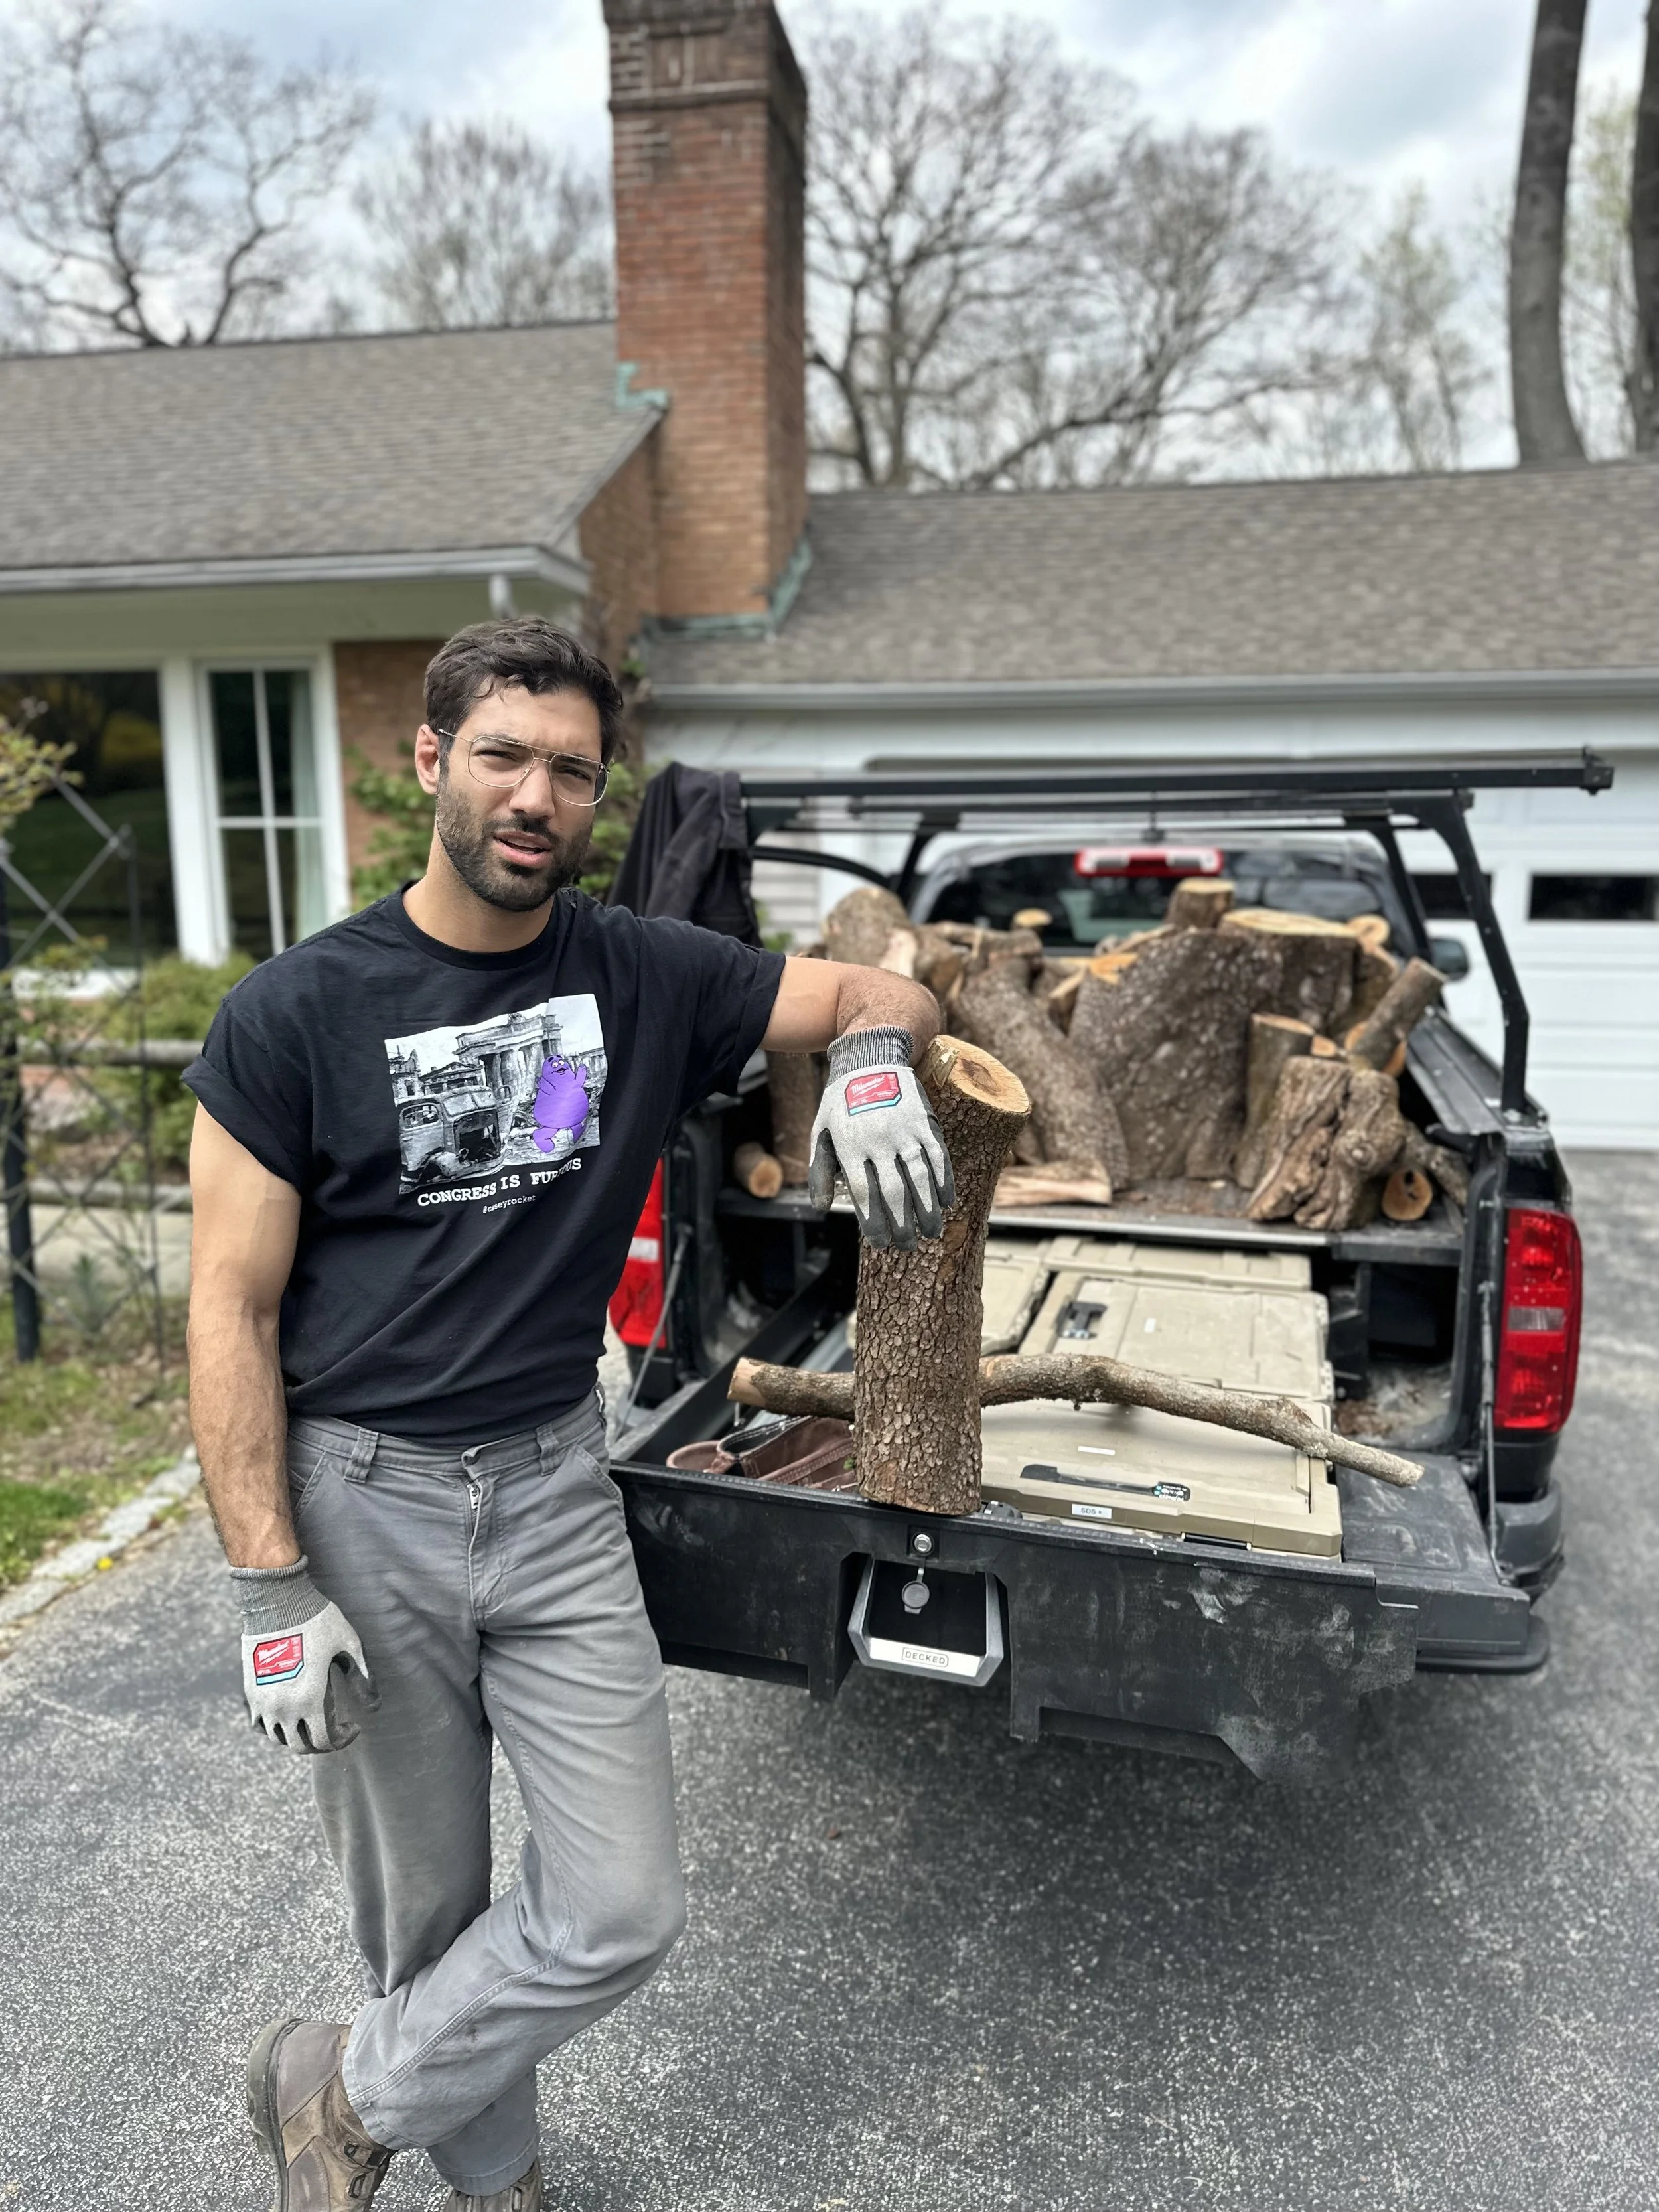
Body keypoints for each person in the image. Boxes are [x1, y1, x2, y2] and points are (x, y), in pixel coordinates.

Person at [184, 617, 950, 2212]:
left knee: (618, 1904)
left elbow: (884, 982)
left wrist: (875, 1066)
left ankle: (342, 2085)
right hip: (362, 1494)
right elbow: (230, 1308)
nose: (537, 795)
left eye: (572, 771)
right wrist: (269, 1583)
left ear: (599, 797)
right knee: (432, 1910)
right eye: (503, 756)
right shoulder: (291, 1014)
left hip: (551, 1489)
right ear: (431, 764)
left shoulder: (646, 973)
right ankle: (501, 2181)